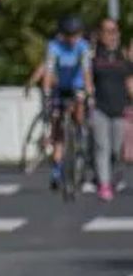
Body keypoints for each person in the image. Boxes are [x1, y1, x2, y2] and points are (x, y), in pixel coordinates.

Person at [43, 15, 94, 190]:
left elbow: (87, 70)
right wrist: (46, 91)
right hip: (61, 86)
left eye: (75, 35)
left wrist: (89, 90)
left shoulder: (83, 46)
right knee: (57, 126)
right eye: (68, 35)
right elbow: (49, 69)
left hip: (78, 85)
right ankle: (56, 170)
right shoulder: (54, 46)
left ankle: (80, 137)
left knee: (79, 109)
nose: (72, 39)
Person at [90, 18, 132, 201]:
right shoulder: (94, 56)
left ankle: (110, 177)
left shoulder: (124, 57)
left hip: (119, 109)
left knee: (115, 150)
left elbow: (130, 81)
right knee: (102, 147)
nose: (111, 35)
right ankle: (104, 184)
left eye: (114, 31)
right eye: (107, 31)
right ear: (100, 34)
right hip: (100, 108)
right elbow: (86, 77)